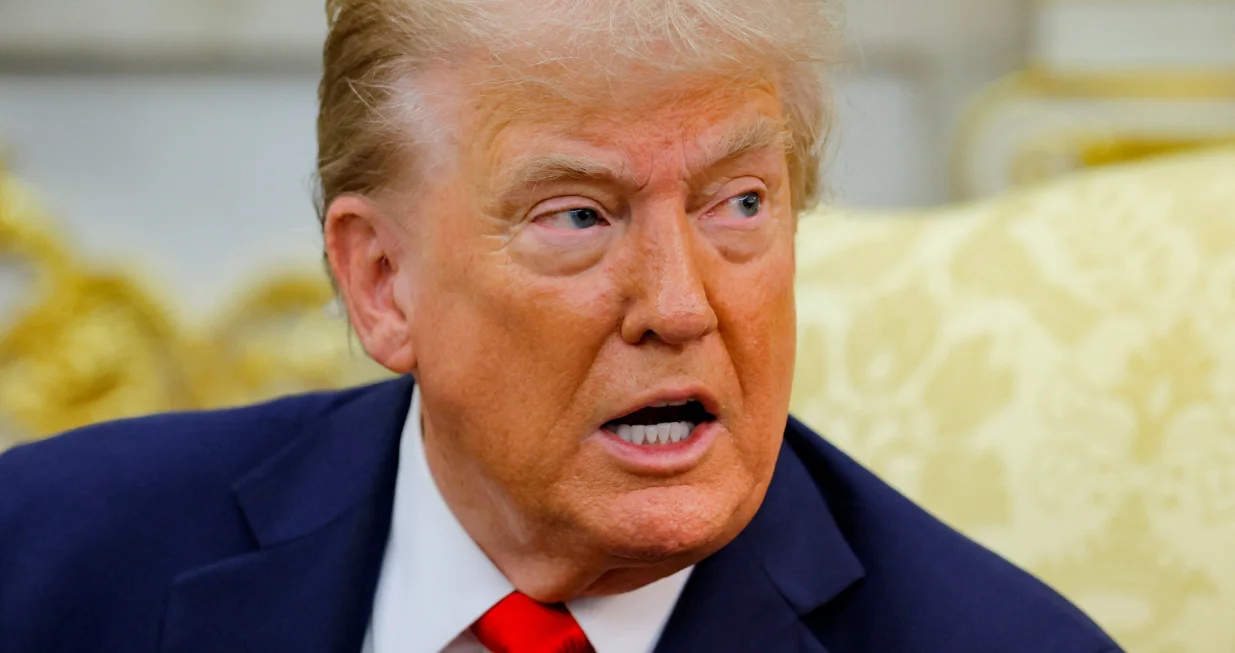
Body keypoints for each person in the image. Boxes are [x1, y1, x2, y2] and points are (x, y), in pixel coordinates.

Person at [0, 1, 1124, 652]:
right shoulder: (42, 559)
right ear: (382, 281)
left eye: (738, 202)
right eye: (577, 215)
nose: (681, 306)